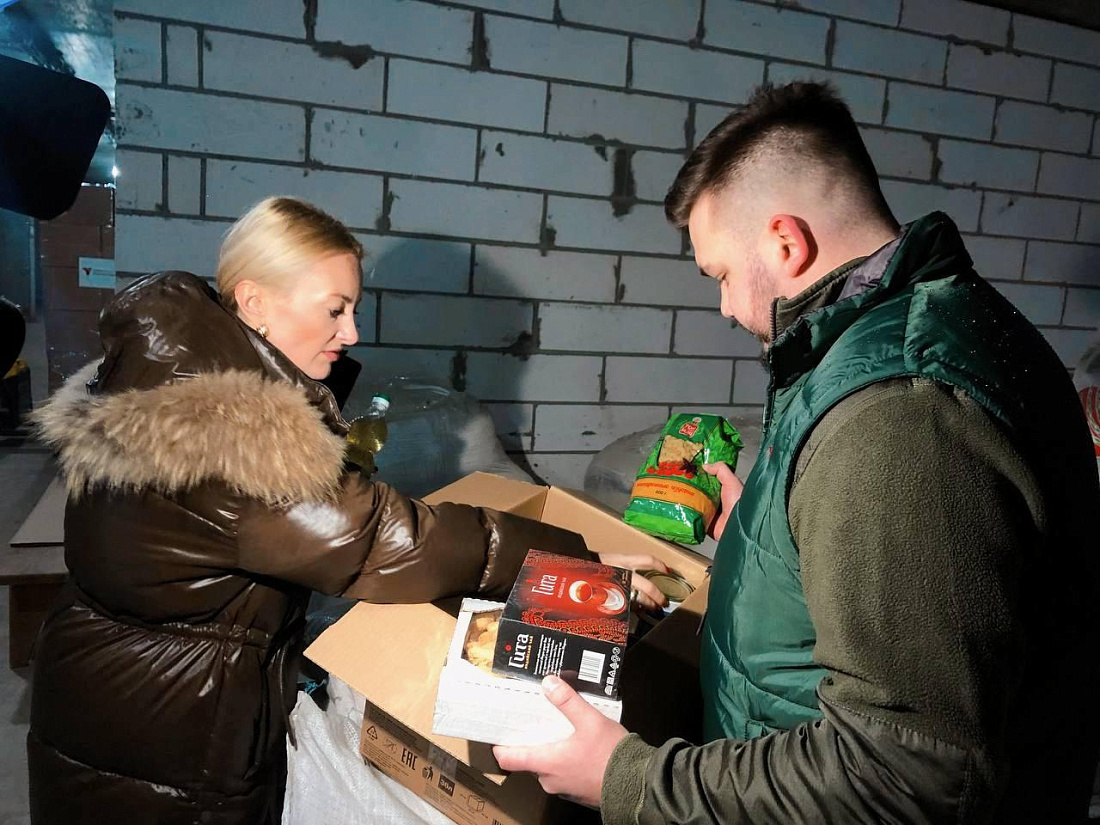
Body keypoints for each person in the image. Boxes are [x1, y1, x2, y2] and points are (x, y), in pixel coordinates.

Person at [494, 82, 1100, 823]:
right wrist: (778, 536)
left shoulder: (900, 416)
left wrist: (631, 780)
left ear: (786, 241)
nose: (724, 307)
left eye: (720, 275)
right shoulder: (919, 324)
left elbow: (903, 774)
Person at [26, 196, 667, 824]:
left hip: (134, 692)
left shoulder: (170, 378)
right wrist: (576, 564)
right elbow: (390, 541)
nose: (352, 332)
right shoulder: (226, 437)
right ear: (254, 301)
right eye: (335, 309)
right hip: (160, 731)